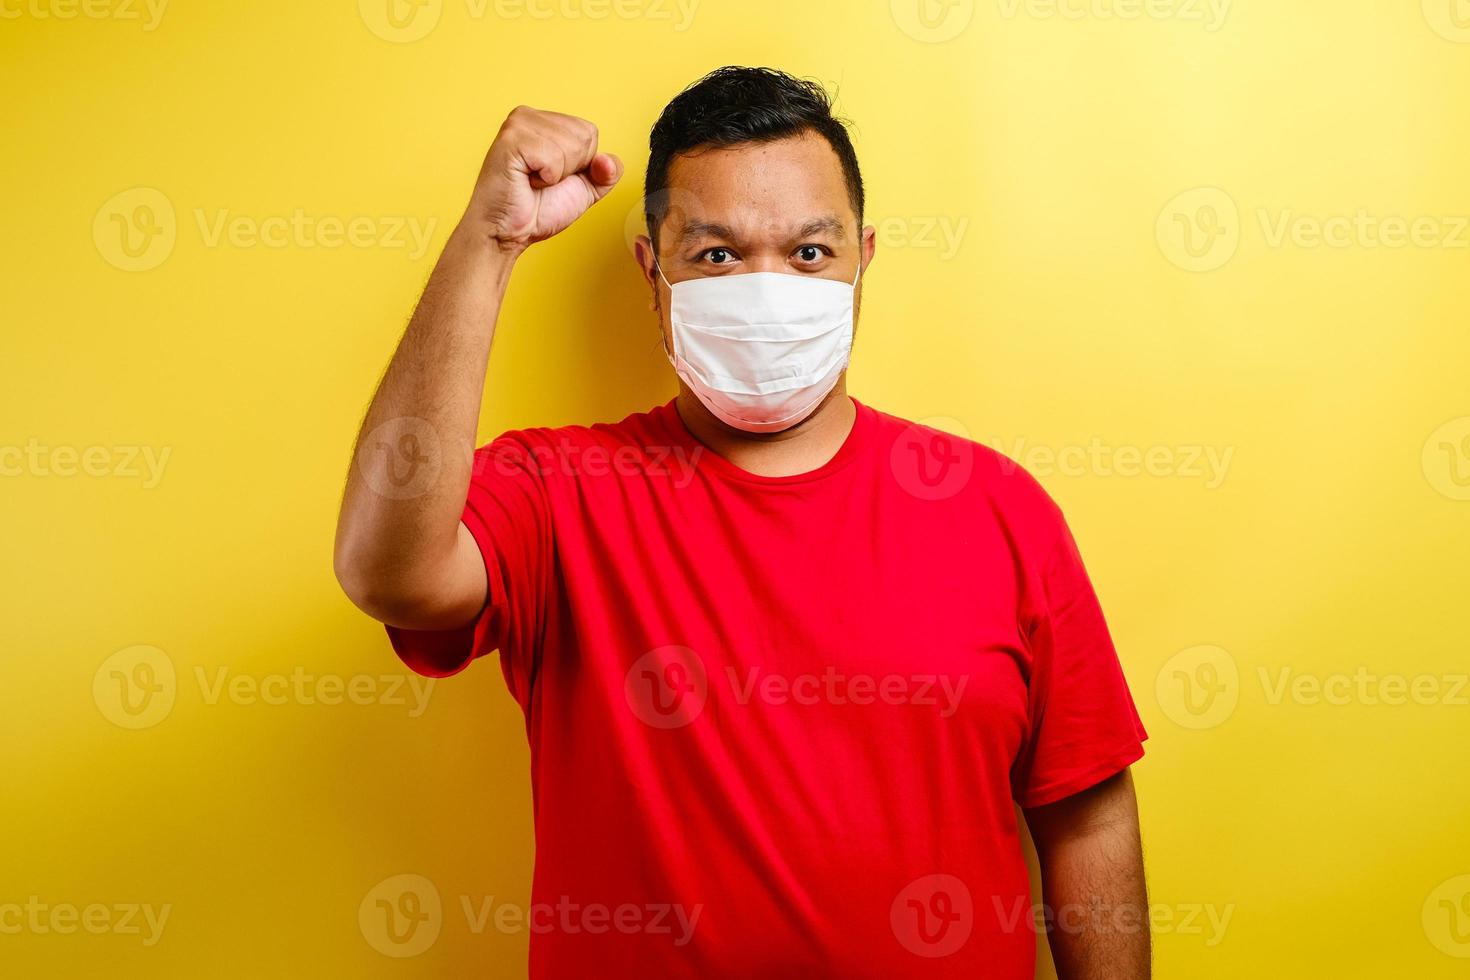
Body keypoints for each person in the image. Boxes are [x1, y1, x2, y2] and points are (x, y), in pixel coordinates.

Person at [334, 65, 1150, 979]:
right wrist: (489, 243)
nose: (766, 291)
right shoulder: (558, 493)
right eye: (717, 255)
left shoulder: (1000, 508)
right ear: (656, 270)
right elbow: (388, 572)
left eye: (808, 253)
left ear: (861, 260)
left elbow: (1087, 805)